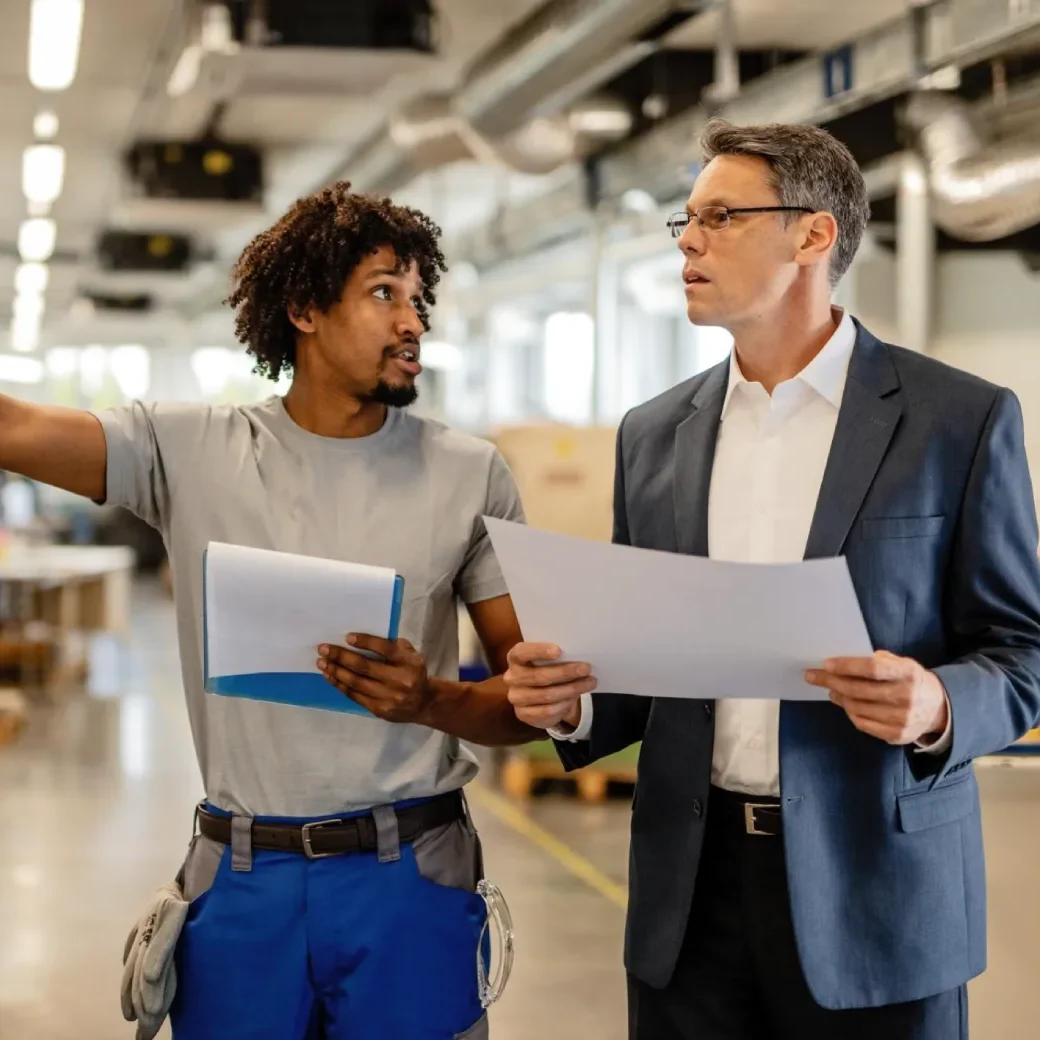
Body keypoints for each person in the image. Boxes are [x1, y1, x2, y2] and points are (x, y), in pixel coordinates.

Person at [504, 119, 1040, 1040]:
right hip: (691, 898)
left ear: (813, 235)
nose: (690, 241)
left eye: (720, 215)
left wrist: (938, 704)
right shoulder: (653, 434)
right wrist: (572, 702)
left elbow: (1023, 651)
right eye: (687, 220)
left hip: (878, 897)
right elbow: (644, 661)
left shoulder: (959, 419)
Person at [0, 182, 537, 1040]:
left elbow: (535, 701)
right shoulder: (185, 450)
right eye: (384, 294)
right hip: (242, 879)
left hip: (409, 875)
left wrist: (429, 699)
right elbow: (12, 425)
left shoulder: (470, 473)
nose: (414, 323)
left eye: (419, 299)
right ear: (303, 309)